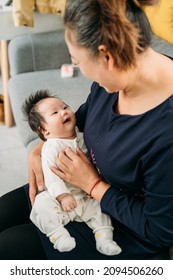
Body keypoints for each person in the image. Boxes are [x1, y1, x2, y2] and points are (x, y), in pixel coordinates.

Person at [0, 0, 173, 260]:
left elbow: (160, 230)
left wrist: (93, 184)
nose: (81, 69)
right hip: (71, 189)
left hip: (118, 229)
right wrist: (41, 147)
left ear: (106, 56)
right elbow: (83, 118)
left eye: (77, 60)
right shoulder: (113, 83)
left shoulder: (166, 134)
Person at [22, 89, 121, 255]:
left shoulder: (83, 137)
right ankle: (58, 236)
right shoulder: (51, 147)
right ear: (45, 131)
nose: (64, 112)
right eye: (55, 112)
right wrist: (62, 196)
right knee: (41, 205)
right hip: (60, 198)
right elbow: (52, 175)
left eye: (65, 107)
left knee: (100, 211)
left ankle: (104, 239)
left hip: (85, 195)